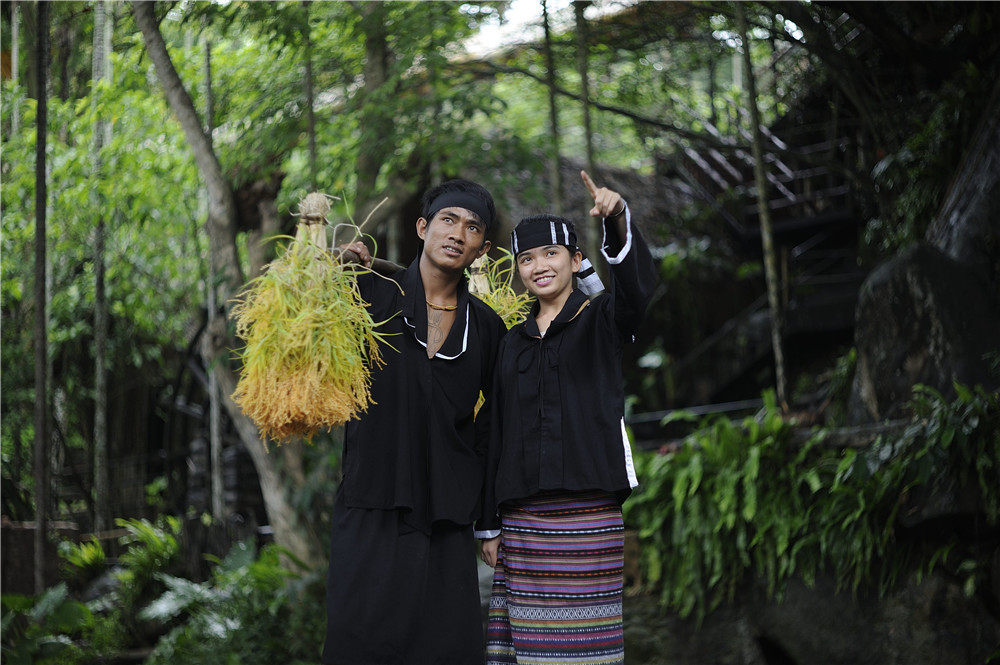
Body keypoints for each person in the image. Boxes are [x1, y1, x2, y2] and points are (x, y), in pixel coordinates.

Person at [476, 171, 657, 665]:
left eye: (551, 254)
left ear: (576, 261)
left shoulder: (601, 320)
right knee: (532, 650)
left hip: (589, 517)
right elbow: (496, 431)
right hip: (524, 523)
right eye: (527, 259)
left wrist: (618, 217)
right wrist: (488, 525)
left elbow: (637, 294)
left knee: (589, 647)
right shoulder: (511, 343)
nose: (539, 266)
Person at [322, 179, 507, 665]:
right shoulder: (367, 295)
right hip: (372, 503)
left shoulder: (487, 327)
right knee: (359, 648)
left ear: (481, 248)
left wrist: (488, 518)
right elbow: (302, 334)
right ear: (423, 227)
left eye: (472, 228)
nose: (457, 234)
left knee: (446, 651)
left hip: (446, 520)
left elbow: (499, 422)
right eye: (448, 220)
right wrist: (332, 271)